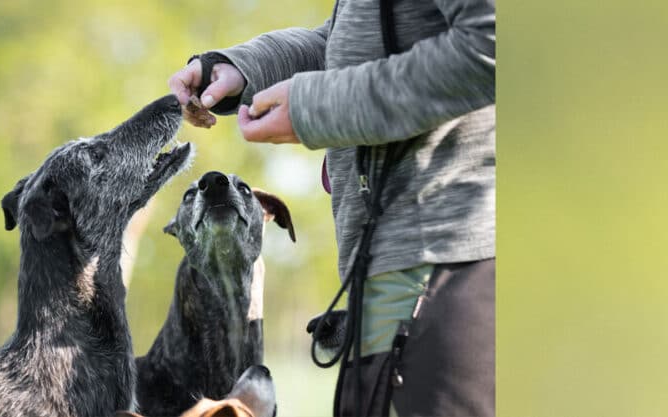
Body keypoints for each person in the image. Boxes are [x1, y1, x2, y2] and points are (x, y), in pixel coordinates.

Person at [167, 0, 496, 416]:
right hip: (387, 283)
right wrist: (242, 68)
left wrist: (314, 107)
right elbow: (351, 42)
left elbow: (491, 42)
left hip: (444, 276)